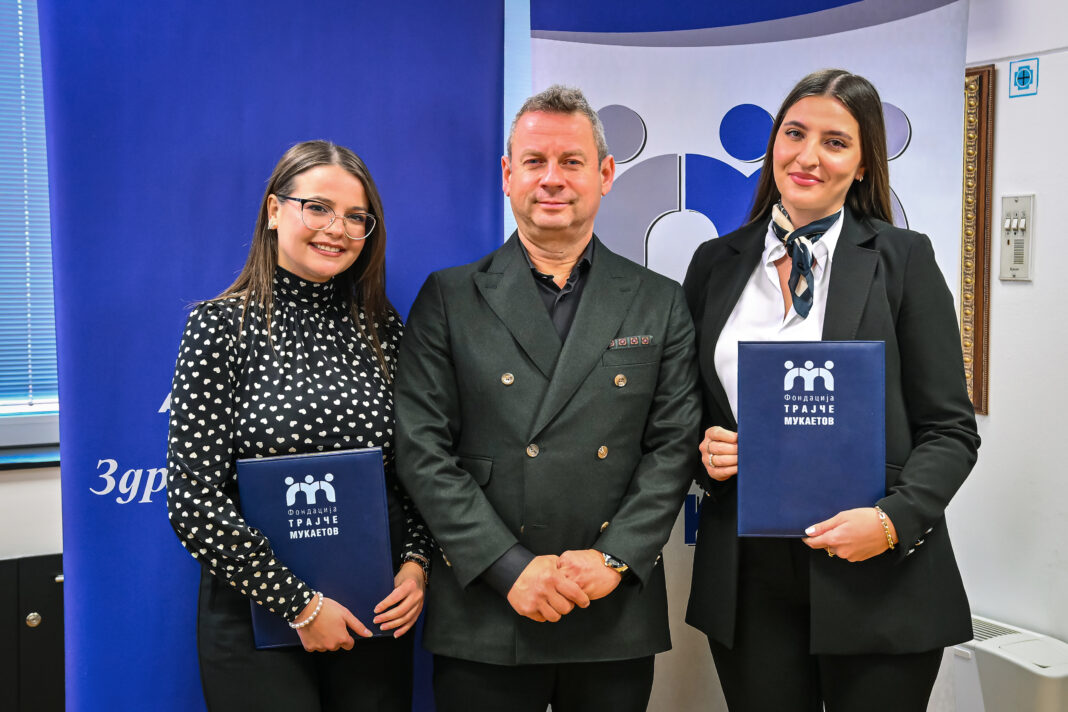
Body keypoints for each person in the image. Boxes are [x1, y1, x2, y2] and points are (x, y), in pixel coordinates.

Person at [395, 85, 701, 712]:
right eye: (534, 161)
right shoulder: (449, 297)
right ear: (508, 175)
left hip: (608, 604)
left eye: (571, 161)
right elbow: (422, 450)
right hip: (487, 606)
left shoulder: (659, 300)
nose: (552, 179)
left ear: (605, 174)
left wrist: (612, 559)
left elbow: (673, 448)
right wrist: (510, 567)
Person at [683, 69, 981, 712]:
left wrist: (892, 521)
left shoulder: (903, 260)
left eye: (836, 142)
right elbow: (685, 415)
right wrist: (706, 453)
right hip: (750, 578)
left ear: (864, 163)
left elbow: (951, 430)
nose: (808, 156)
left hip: (879, 573)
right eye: (794, 133)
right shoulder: (714, 263)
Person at [166, 140, 431, 711]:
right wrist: (300, 606)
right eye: (318, 208)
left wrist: (416, 565)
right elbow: (193, 500)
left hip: (373, 610)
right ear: (274, 210)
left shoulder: (382, 327)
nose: (337, 229)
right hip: (254, 616)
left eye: (356, 217)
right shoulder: (219, 327)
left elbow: (416, 465)